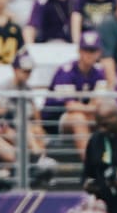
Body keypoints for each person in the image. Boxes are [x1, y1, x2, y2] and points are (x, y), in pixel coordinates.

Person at [42, 30, 108, 159]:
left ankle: (111, 166)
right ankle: (91, 168)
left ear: (99, 53)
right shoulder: (66, 71)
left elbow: (99, 102)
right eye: (86, 50)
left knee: (106, 118)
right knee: (78, 117)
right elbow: (70, 106)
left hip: (83, 115)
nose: (89, 55)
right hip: (55, 120)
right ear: (79, 51)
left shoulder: (99, 72)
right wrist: (92, 108)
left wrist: (92, 108)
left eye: (92, 51)